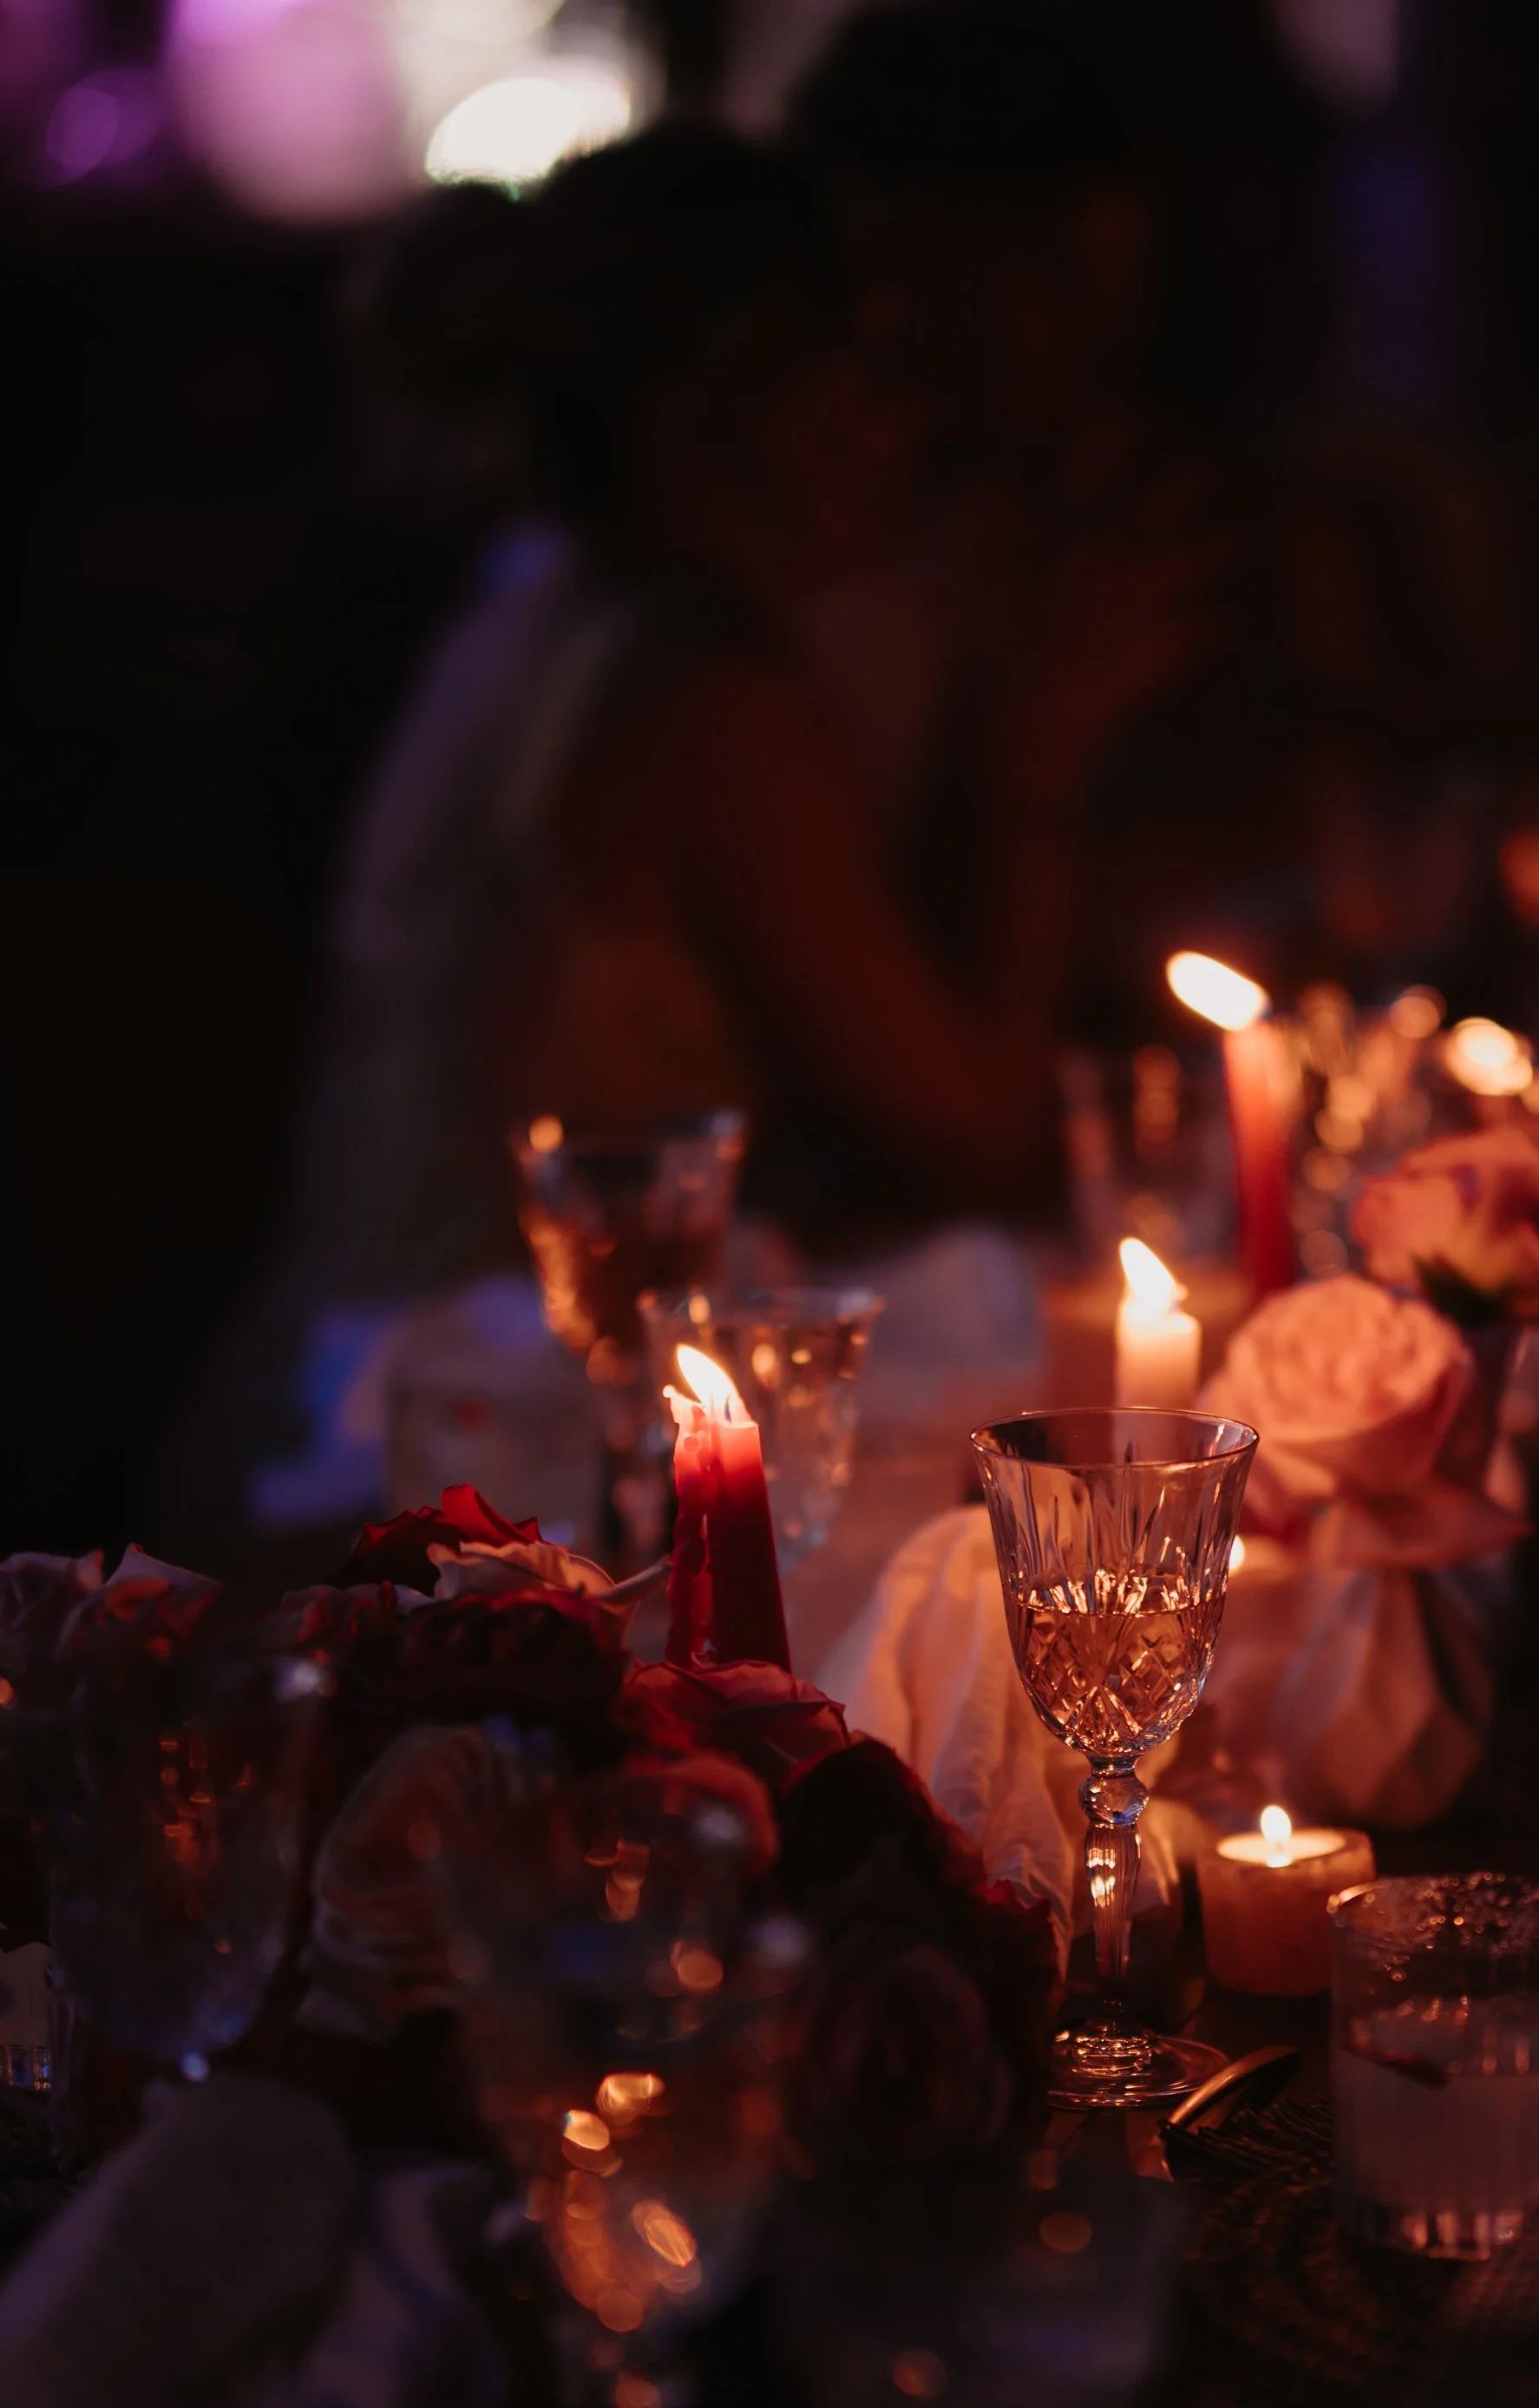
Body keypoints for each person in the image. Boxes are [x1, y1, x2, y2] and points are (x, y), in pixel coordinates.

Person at [173, 119, 1203, 1541]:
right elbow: (971, 1136)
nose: (912, 427)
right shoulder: (708, 706)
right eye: (872, 368)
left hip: (322, 1396)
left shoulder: (532, 606)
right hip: (428, 1477)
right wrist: (1035, 754)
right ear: (735, 406)